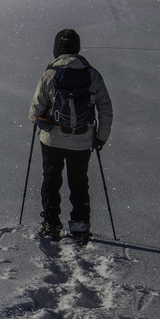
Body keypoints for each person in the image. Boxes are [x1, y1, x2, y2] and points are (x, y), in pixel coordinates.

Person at [28, 28, 113, 244]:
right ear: (77, 48)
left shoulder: (50, 74)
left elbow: (35, 111)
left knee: (51, 180)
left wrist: (39, 121)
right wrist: (100, 137)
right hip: (82, 140)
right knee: (79, 182)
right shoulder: (92, 74)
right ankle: (80, 226)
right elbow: (105, 109)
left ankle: (51, 223)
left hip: (52, 140)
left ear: (57, 48)